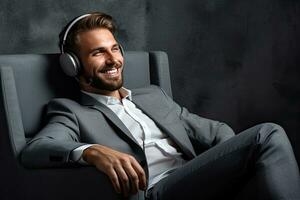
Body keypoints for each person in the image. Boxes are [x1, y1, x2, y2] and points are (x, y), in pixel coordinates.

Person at [21, 12, 300, 200]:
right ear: (72, 65)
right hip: (157, 191)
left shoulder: (154, 96)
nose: (112, 59)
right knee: (268, 134)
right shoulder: (71, 111)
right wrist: (91, 151)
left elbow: (216, 131)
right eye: (97, 52)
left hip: (196, 179)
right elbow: (37, 148)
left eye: (115, 48)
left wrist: (228, 166)